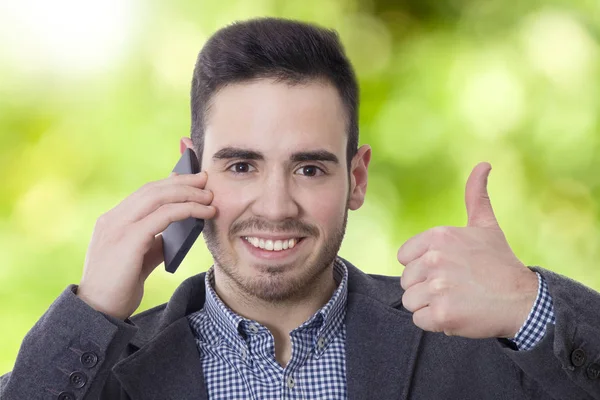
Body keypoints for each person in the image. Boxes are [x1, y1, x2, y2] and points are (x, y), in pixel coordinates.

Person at [1, 17, 599, 400]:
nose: (276, 205)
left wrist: (528, 305)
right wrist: (90, 313)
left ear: (356, 178)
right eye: (241, 165)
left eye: (309, 167)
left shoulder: (478, 344)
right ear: (189, 169)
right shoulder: (98, 369)